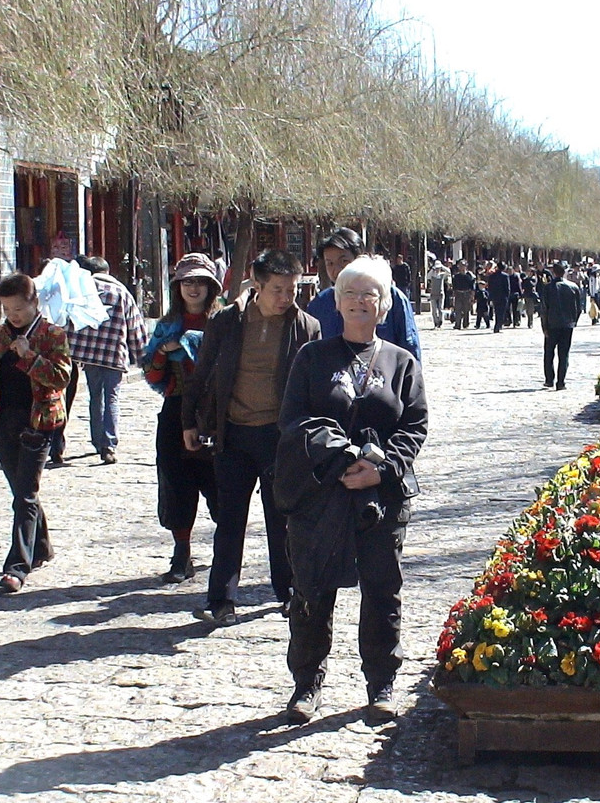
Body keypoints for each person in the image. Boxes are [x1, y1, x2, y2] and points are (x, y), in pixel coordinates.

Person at [279, 255, 427, 726]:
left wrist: (380, 469)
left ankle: (381, 682)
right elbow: (294, 420)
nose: (360, 302)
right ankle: (307, 685)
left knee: (383, 591)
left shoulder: (401, 362)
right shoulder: (312, 358)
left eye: (370, 295)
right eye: (351, 294)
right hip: (321, 493)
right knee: (312, 590)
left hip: (381, 499)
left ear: (384, 305)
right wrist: (341, 455)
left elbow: (415, 425)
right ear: (335, 302)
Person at [183, 248, 321, 625]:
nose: (285, 298)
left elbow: (315, 386)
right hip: (234, 434)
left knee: (282, 519)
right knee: (230, 519)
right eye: (277, 289)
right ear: (257, 286)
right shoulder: (227, 322)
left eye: (292, 289)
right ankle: (222, 599)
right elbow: (202, 372)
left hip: (280, 437)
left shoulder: (306, 327)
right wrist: (190, 422)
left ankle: (289, 591)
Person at [0, 273, 72, 593]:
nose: (13, 315)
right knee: (22, 491)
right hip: (2, 423)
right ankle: (42, 546)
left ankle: (17, 567)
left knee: (25, 494)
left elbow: (62, 377)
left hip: (38, 423)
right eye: (7, 309)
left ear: (34, 303)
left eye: (18, 308)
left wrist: (31, 357)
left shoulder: (52, 335)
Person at [142, 253, 221, 583]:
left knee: (220, 485)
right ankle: (182, 553)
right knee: (177, 483)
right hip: (176, 410)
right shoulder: (166, 326)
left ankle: (226, 553)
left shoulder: (225, 322)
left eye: (200, 281)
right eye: (187, 281)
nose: (193, 288)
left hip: (217, 413)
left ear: (211, 287)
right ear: (178, 287)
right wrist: (164, 351)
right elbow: (152, 373)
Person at [65, 257, 148, 464]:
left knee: (95, 396)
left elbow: (70, 320)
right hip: (113, 354)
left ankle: (97, 440)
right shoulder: (122, 293)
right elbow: (135, 325)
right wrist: (142, 357)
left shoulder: (81, 290)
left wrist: (70, 349)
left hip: (89, 355)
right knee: (112, 396)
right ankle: (108, 444)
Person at [307, 228, 421, 361]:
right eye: (330, 263)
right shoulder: (320, 303)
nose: (337, 269)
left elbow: (410, 349)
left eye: (343, 261)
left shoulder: (392, 298)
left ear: (359, 258)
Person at [539, 262, 584, 390]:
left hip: (552, 324)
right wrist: (574, 321)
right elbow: (578, 308)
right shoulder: (573, 287)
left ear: (553, 272)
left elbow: (544, 309)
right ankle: (561, 382)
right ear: (564, 272)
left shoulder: (548, 288)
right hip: (567, 325)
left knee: (549, 353)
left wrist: (544, 327)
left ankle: (549, 380)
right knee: (564, 354)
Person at [424, 258, 450, 329]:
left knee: (440, 309)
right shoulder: (432, 275)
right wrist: (432, 269)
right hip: (433, 294)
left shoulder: (442, 275)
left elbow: (448, 272)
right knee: (434, 310)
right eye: (437, 268)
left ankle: (440, 322)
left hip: (441, 293)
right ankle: (435, 322)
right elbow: (427, 276)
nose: (437, 269)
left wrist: (442, 267)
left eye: (438, 268)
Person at [451, 261, 475, 329]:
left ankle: (465, 323)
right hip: (458, 294)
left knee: (466, 310)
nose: (462, 267)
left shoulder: (469, 275)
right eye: (460, 265)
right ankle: (457, 324)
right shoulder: (456, 276)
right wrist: (453, 295)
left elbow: (472, 286)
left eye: (463, 265)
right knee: (458, 309)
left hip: (467, 294)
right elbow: (454, 287)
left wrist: (472, 296)